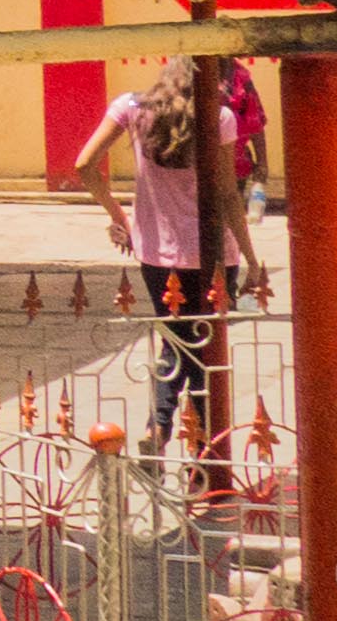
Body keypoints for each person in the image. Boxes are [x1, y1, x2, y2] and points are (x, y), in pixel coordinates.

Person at [75, 49, 265, 460]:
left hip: (157, 255)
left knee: (176, 344)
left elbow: (85, 164)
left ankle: (160, 428)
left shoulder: (130, 109)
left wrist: (120, 219)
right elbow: (228, 194)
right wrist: (251, 258)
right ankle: (201, 456)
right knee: (202, 353)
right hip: (214, 257)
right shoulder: (219, 119)